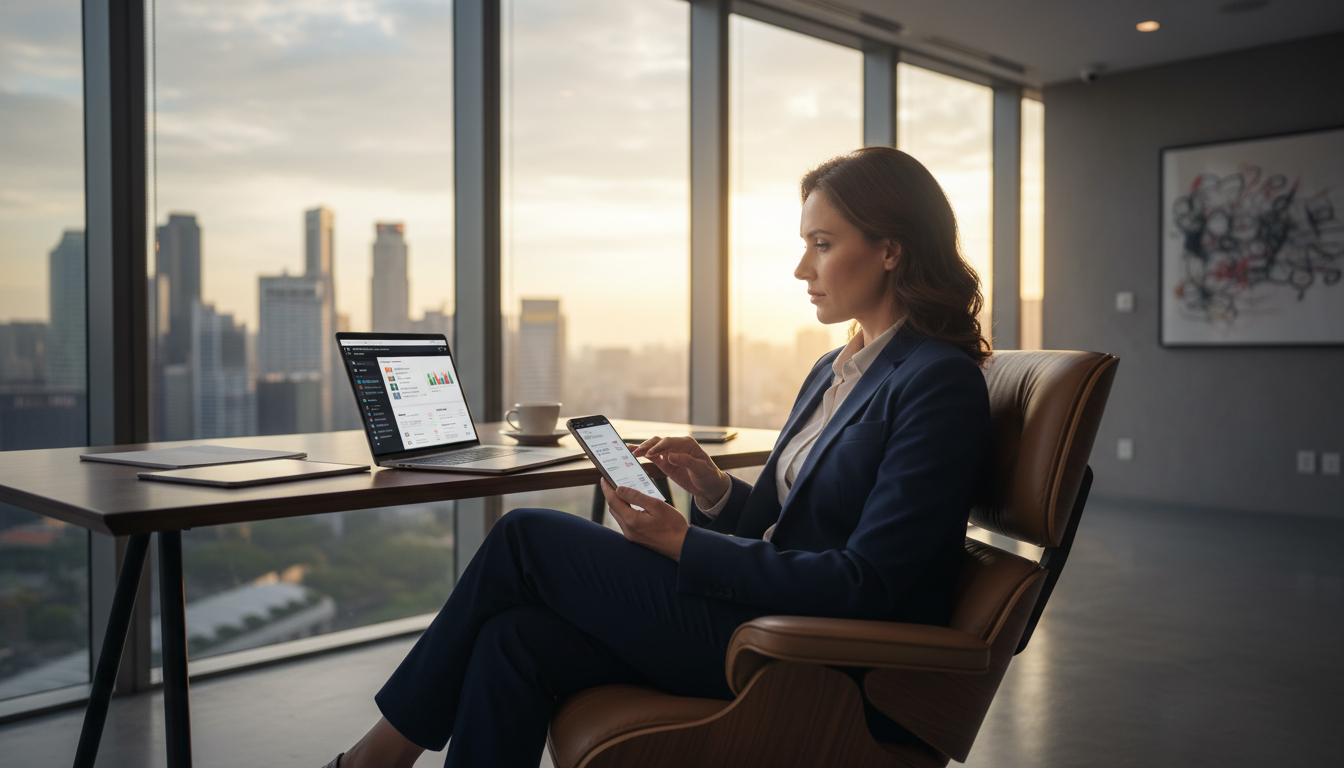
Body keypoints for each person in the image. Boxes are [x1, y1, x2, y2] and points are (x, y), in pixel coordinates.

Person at [322, 146, 992, 768]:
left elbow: (865, 584)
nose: (801, 269)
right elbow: (787, 524)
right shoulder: (833, 369)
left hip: (808, 654)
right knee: (513, 639)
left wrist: (682, 545)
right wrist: (712, 491)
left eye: (822, 244)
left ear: (890, 250)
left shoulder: (937, 380)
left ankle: (374, 759)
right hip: (761, 617)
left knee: (525, 536)